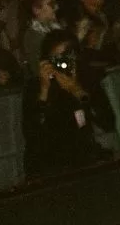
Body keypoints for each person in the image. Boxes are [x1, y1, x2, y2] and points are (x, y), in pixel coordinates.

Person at [21, 29, 106, 178]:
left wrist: (77, 91)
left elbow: (107, 121)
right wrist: (44, 91)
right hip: (47, 165)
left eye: (66, 57)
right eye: (56, 59)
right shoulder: (35, 87)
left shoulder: (87, 81)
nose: (62, 64)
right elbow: (31, 132)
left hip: (81, 160)